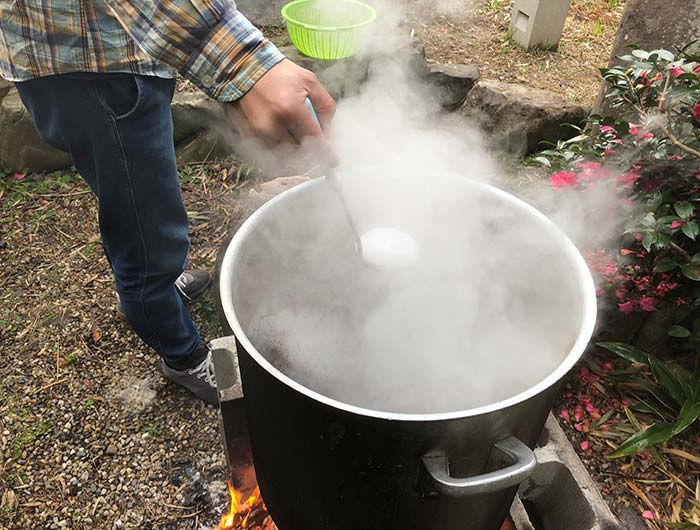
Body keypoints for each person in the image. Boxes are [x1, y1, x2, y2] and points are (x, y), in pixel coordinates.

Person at [0, 0, 337, 405]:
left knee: (149, 202)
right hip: (92, 68)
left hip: (121, 49)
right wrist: (242, 60)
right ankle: (182, 356)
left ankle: (162, 288)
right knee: (144, 238)